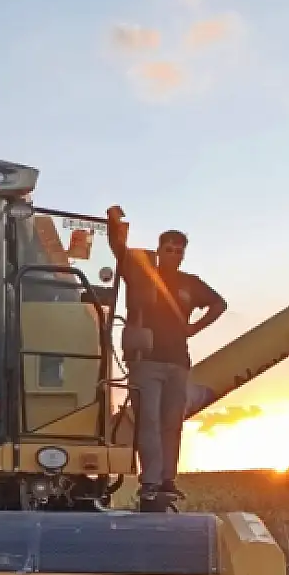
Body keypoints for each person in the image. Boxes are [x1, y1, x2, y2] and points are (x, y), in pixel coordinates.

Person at [106, 204, 228, 512]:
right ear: (158, 250)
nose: (173, 254)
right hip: (145, 360)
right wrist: (113, 221)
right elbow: (119, 249)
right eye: (168, 248)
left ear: (184, 254)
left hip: (177, 362)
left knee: (172, 424)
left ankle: (167, 480)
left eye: (178, 250)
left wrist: (193, 328)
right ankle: (151, 482)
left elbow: (219, 304)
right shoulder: (140, 272)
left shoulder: (190, 282)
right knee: (148, 420)